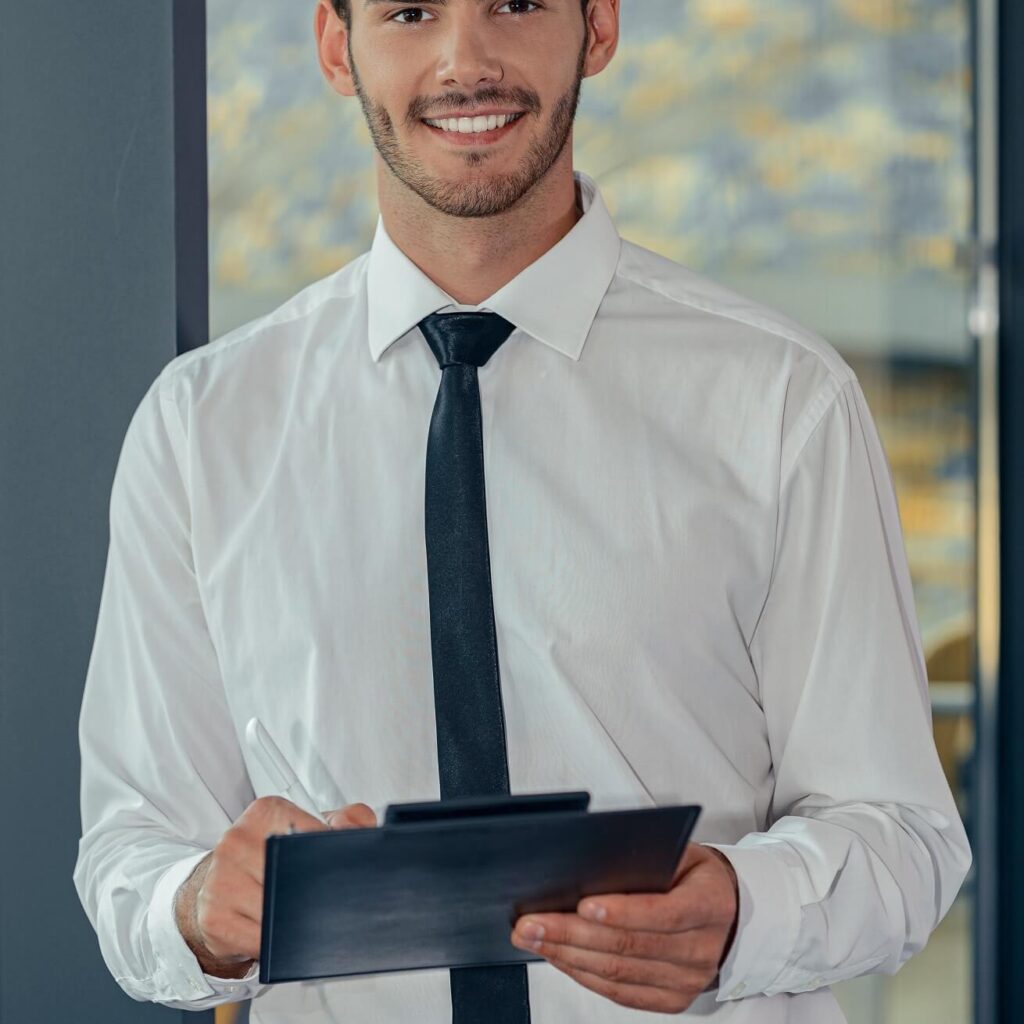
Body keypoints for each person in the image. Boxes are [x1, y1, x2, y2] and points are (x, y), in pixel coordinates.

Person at [73, 0, 971, 1021]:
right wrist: (197, 905)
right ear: (336, 46)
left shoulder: (783, 403)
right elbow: (130, 854)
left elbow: (903, 835)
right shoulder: (201, 430)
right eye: (410, 11)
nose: (466, 59)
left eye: (516, 3)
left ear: (597, 27)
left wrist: (743, 912)